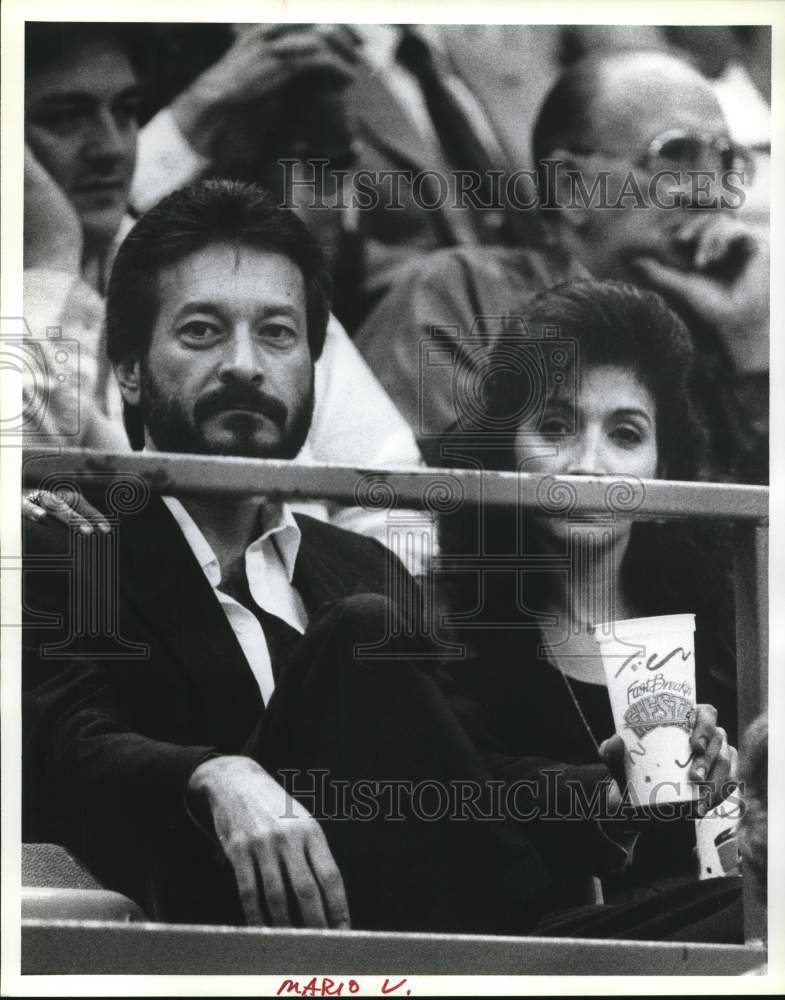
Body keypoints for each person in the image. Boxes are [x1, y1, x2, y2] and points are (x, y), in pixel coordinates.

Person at [23, 182, 736, 939]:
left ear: (312, 367)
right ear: (129, 369)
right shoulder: (69, 543)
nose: (244, 365)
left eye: (276, 334)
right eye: (202, 332)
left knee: (747, 912)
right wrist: (214, 773)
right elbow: (65, 744)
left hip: (433, 926)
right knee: (360, 634)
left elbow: (466, 771)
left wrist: (606, 791)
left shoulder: (360, 562)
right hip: (225, 937)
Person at [22, 21, 428, 559]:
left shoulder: (242, 272)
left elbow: (391, 492)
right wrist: (49, 264)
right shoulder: (31, 309)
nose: (112, 147)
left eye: (124, 110)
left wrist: (344, 623)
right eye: (63, 118)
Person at [434, 280, 741, 915]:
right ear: (507, 449)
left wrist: (747, 784)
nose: (589, 465)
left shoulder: (734, 632)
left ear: (665, 463)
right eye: (555, 426)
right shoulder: (448, 638)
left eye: (625, 434)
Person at [354, 48, 769, 484]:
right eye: (676, 155)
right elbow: (444, 511)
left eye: (725, 162)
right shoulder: (458, 296)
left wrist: (756, 350)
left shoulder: (729, 324)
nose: (714, 194)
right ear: (571, 187)